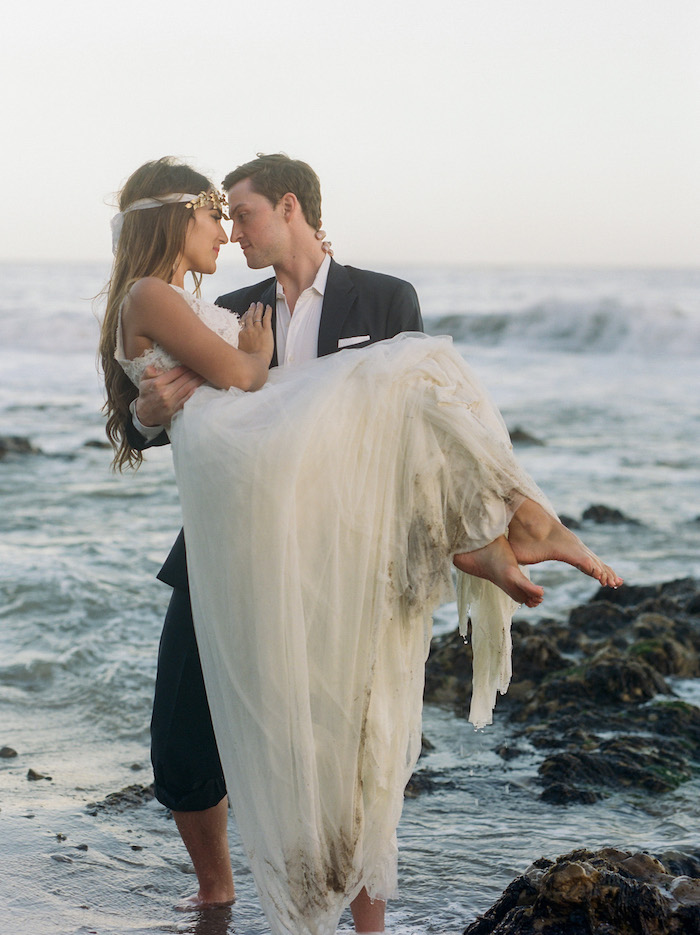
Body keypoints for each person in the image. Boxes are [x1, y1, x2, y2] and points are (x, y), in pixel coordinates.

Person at [101, 155, 622, 935]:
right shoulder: (229, 305)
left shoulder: (383, 297)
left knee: (354, 725)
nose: (233, 231)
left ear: (289, 208)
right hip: (236, 540)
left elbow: (411, 438)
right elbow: (162, 405)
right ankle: (216, 887)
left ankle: (362, 916)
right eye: (222, 217)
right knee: (182, 728)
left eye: (241, 215)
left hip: (346, 544)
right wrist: (147, 409)